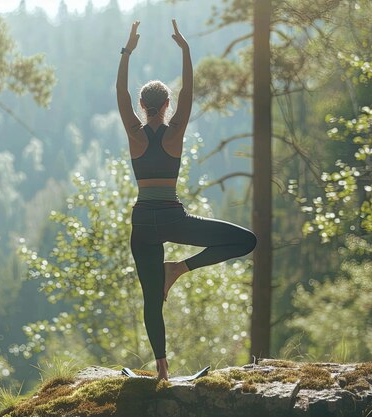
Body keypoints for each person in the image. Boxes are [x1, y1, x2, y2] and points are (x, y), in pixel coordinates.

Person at [116, 19, 257, 381]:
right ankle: (179, 268)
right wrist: (187, 51)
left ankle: (162, 371)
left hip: (143, 223)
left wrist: (127, 50)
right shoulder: (175, 132)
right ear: (166, 104)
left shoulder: (134, 133)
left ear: (143, 106)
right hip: (173, 219)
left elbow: (119, 94)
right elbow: (189, 93)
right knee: (245, 241)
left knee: (151, 300)